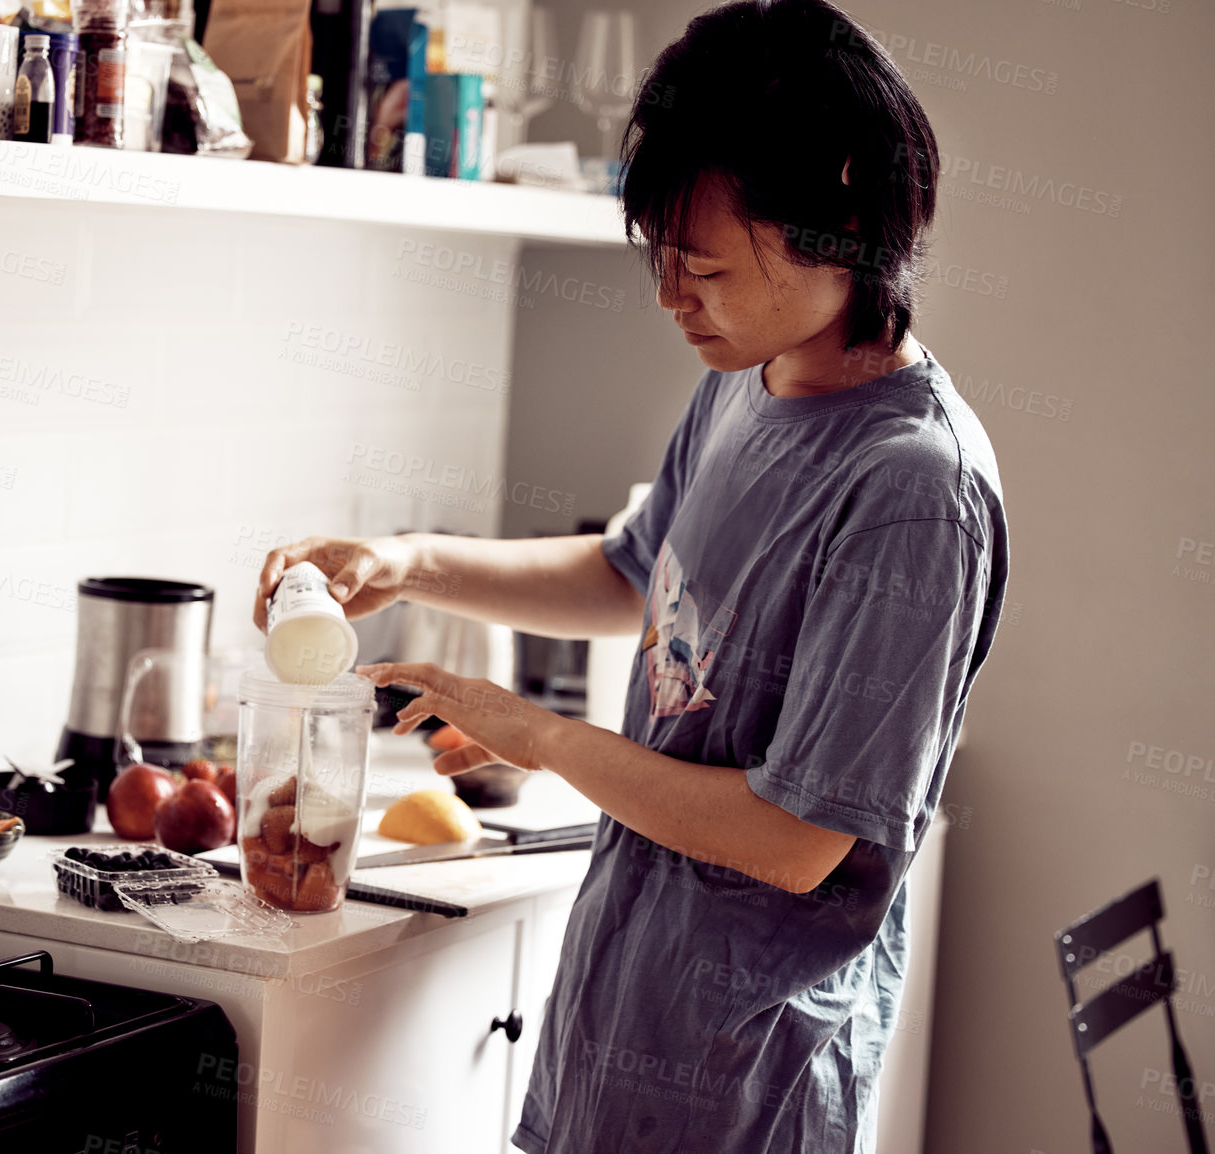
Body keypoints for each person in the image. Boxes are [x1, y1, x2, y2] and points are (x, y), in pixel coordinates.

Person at [253, 0, 1008, 1149]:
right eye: (662, 256)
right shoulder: (750, 380)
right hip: (613, 1033)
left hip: (749, 1087)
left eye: (701, 265)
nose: (670, 296)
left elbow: (798, 839)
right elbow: (634, 575)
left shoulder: (911, 487)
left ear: (842, 211)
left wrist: (535, 733)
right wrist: (409, 561)